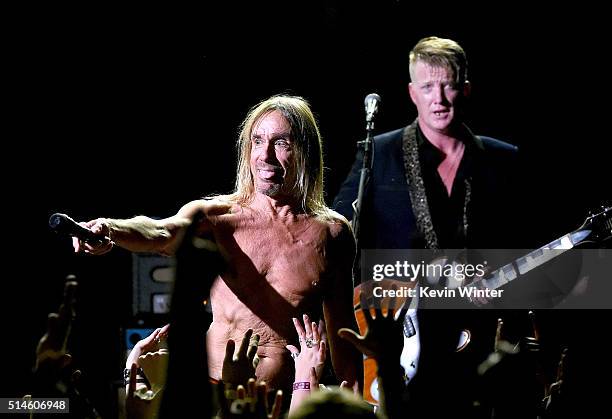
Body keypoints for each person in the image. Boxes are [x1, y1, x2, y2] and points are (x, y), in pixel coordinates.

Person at [72, 94, 362, 396]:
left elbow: (343, 334)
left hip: (281, 400)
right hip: (210, 392)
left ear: (306, 151)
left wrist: (356, 402)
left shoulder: (331, 234)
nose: (265, 155)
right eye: (257, 141)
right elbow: (161, 232)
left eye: (281, 143)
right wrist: (112, 228)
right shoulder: (217, 218)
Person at [333, 36, 523, 415]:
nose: (439, 98)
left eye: (448, 85)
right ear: (411, 93)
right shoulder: (380, 152)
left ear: (465, 89)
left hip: (480, 337)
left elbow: (526, 243)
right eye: (427, 87)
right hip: (405, 339)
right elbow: (339, 233)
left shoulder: (504, 160)